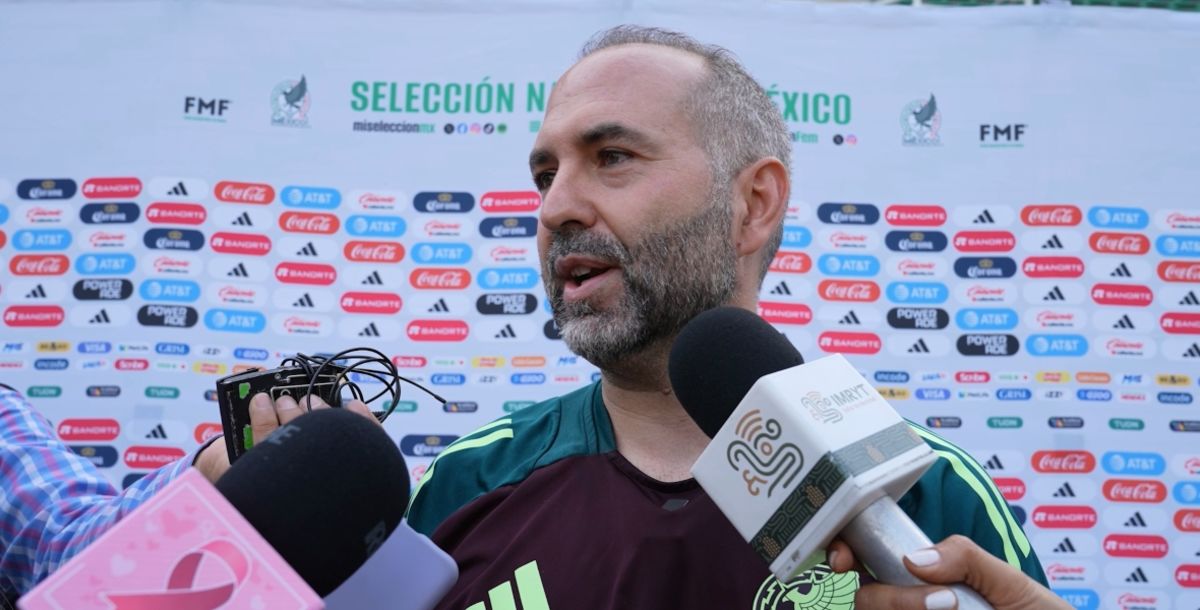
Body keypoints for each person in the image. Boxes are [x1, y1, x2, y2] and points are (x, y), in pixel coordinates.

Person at [0, 25, 1057, 610]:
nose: (556, 206)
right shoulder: (463, 491)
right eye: (543, 172)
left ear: (755, 201)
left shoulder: (926, 501)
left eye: (612, 157)